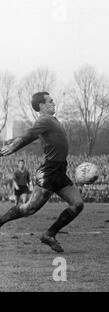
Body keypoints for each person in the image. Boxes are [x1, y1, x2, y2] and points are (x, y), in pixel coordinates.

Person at [0, 92, 84, 253]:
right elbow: (27, 136)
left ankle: (49, 234)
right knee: (29, 209)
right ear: (41, 106)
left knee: (78, 204)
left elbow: (30, 137)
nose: (54, 103)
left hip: (59, 171)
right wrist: (12, 148)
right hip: (49, 172)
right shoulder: (44, 120)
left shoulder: (51, 120)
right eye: (50, 101)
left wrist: (14, 144)